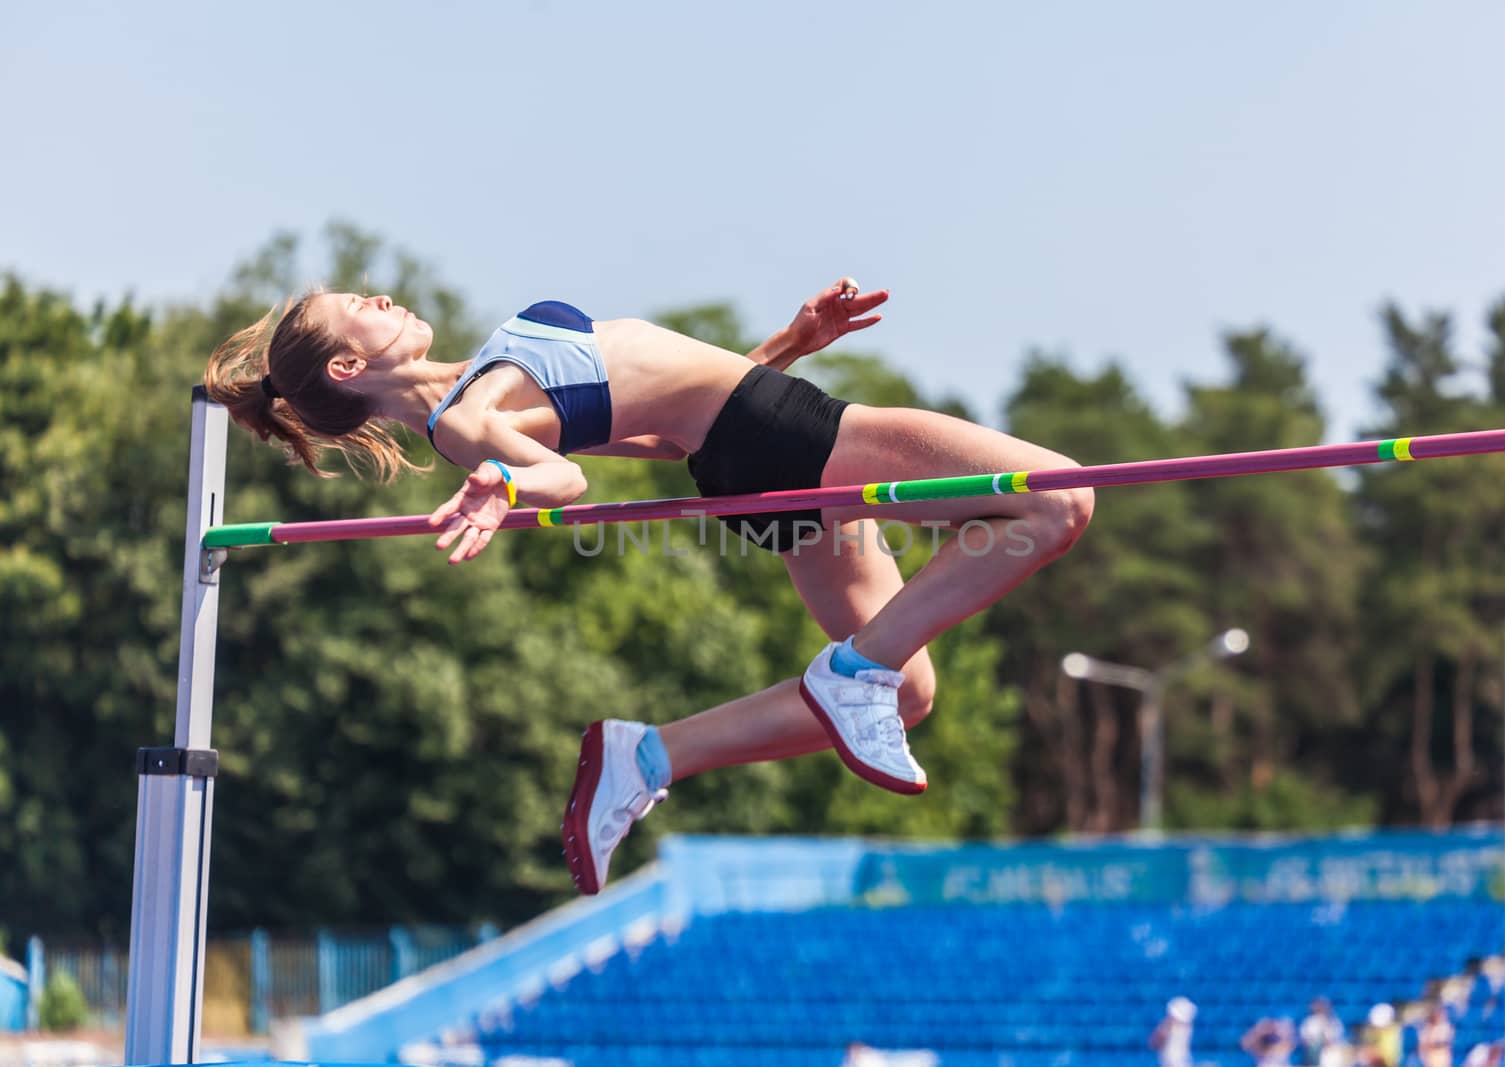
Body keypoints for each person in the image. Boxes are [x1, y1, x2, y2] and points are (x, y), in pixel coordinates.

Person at [206, 279, 1093, 893]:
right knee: (1059, 501)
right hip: (782, 437)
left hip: (742, 455)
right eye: (357, 310)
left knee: (912, 691)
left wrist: (788, 343)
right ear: (348, 370)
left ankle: (651, 754)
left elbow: (669, 426)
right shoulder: (467, 420)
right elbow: (563, 482)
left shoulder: (481, 385)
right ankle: (852, 673)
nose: (380, 299)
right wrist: (505, 483)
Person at [1149, 997, 1196, 1067]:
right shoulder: (1169, 1026)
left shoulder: (1176, 1027)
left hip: (1176, 1062)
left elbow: (1154, 1043)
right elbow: (1153, 1044)